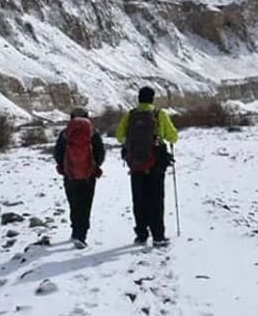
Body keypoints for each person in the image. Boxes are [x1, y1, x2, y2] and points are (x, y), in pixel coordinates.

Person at [116, 86, 178, 247]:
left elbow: (119, 136)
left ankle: (141, 235)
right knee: (156, 199)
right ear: (152, 99)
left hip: (136, 164)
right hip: (156, 163)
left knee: (139, 199)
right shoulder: (159, 114)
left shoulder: (130, 115)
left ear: (138, 98)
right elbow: (173, 137)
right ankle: (158, 236)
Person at [54, 107, 105, 249]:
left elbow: (57, 152)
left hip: (70, 174)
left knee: (74, 203)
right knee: (86, 203)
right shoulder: (93, 133)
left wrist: (62, 167)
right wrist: (95, 166)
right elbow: (100, 152)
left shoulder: (65, 134)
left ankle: (75, 230)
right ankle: (81, 234)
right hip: (89, 175)